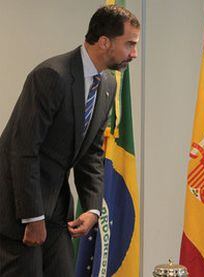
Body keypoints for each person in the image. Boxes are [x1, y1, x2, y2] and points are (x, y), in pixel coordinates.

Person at [0, 5, 140, 276]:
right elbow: (22, 150)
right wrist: (32, 217)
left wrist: (92, 208)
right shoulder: (52, 76)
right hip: (18, 210)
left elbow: (92, 154)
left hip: (55, 211)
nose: (134, 54)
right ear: (104, 42)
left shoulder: (108, 84)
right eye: (130, 44)